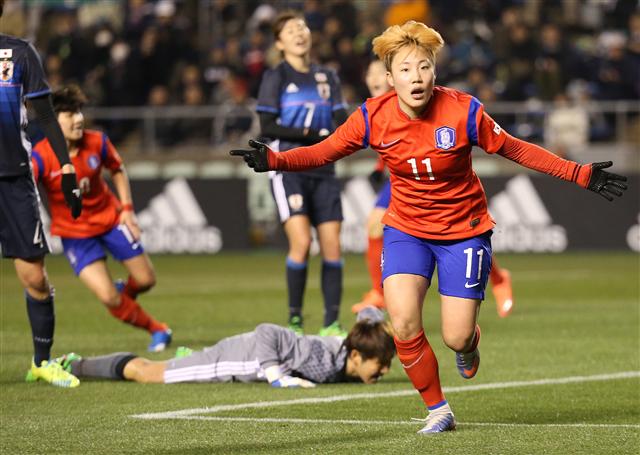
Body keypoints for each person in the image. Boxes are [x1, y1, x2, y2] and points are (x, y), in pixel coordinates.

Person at [231, 21, 627, 434]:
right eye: (405, 69)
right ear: (389, 78)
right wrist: (276, 161)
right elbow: (326, 151)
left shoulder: (463, 110)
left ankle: (468, 345)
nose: (415, 77)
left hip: (464, 230)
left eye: (423, 67)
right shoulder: (372, 116)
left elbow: (516, 148)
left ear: (435, 72)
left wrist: (580, 174)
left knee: (456, 336)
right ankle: (438, 409)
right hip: (407, 229)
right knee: (402, 322)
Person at [352, 59, 514, 318]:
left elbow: (416, 137)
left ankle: (497, 277)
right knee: (374, 224)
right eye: (369, 73)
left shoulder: (411, 96)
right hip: (403, 179)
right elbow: (392, 140)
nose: (373, 79)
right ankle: (379, 292)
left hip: (428, 180)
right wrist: (379, 167)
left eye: (377, 73)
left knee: (457, 235)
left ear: (389, 76)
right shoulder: (375, 107)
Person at [31, 85, 172, 352]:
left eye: (79, 112)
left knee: (146, 280)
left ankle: (122, 296)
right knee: (108, 296)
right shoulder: (41, 155)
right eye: (70, 114)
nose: (79, 119)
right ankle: (159, 329)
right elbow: (28, 190)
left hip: (111, 220)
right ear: (52, 121)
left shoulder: (97, 141)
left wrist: (127, 209)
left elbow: (117, 170)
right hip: (74, 234)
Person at [0, 0, 83, 388]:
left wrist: (66, 166)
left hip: (14, 179)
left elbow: (45, 115)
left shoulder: (19, 53)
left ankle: (41, 361)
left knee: (34, 278)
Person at [255, 11, 349, 337]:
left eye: (303, 27)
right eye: (291, 30)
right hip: (288, 167)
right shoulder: (276, 77)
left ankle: (332, 322)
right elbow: (267, 127)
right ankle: (295, 318)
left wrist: (331, 134)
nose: (299, 33)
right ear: (280, 42)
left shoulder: (327, 77)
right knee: (301, 242)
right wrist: (316, 134)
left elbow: (342, 119)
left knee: (333, 245)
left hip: (324, 168)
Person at [54, 307, 395, 387]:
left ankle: (188, 356)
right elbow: (267, 332)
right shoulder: (320, 355)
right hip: (237, 359)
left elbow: (365, 320)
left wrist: (373, 315)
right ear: (355, 355)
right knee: (148, 374)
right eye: (381, 363)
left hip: (243, 354)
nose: (386, 370)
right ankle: (74, 363)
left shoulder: (347, 354)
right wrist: (276, 375)